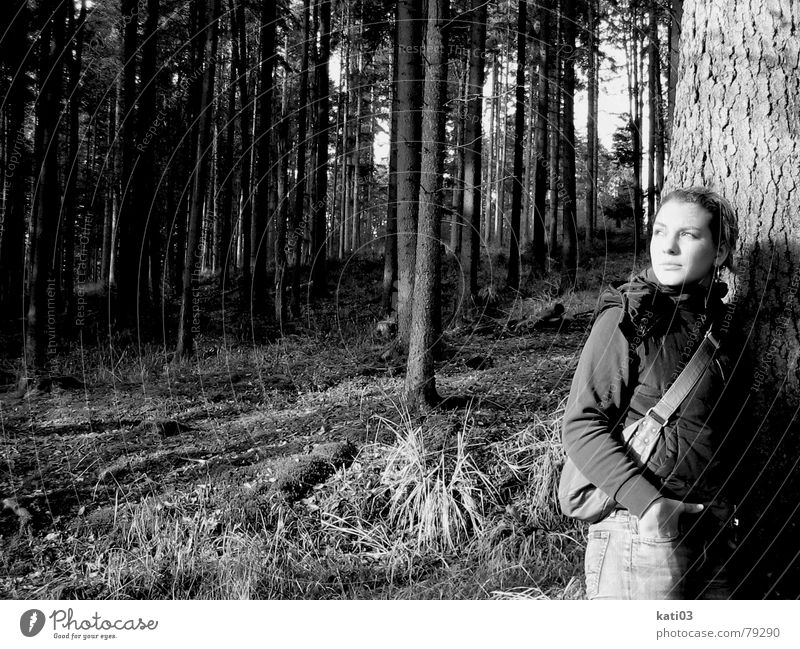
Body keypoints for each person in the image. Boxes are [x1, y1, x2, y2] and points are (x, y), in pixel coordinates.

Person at [561, 187, 742, 599]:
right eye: (660, 232)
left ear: (720, 250)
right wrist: (651, 506)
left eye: (689, 235)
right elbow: (581, 424)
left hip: (713, 533)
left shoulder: (720, 325)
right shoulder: (629, 316)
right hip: (641, 531)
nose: (669, 246)